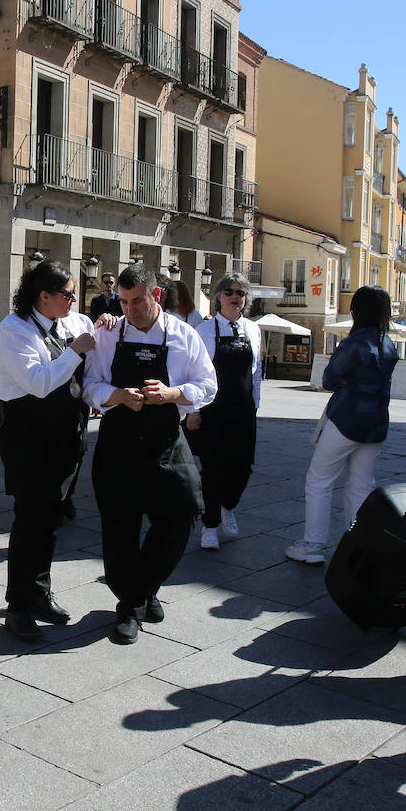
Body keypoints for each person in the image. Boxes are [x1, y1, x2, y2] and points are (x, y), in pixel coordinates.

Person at [83, 265, 216, 644]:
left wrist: (173, 394)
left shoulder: (183, 335)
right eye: (123, 302)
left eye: (137, 301)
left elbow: (208, 384)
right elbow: (90, 384)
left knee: (183, 512)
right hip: (119, 440)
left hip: (164, 440)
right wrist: (118, 396)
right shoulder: (108, 333)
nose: (130, 309)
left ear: (155, 296)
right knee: (119, 525)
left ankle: (145, 587)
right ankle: (130, 605)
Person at [0, 260, 97, 640]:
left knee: (51, 516)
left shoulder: (69, 323)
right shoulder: (13, 330)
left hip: (65, 430)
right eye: (69, 294)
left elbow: (91, 349)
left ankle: (38, 592)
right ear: (44, 297)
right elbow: (38, 383)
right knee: (30, 517)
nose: (74, 300)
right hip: (27, 431)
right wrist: (75, 353)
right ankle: (18, 606)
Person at [286, 285, 398, 565]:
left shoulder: (355, 341)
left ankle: (312, 544)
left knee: (319, 480)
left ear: (356, 311)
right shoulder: (388, 343)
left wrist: (346, 380)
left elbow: (329, 379)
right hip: (376, 422)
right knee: (362, 484)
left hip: (347, 418)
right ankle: (359, 544)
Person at [188, 273, 262, 550]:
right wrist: (194, 410)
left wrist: (256, 405)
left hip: (243, 411)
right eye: (229, 292)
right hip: (214, 411)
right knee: (213, 470)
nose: (235, 297)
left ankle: (228, 506)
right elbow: (194, 372)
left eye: (240, 292)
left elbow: (256, 372)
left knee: (243, 468)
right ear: (219, 297)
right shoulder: (205, 332)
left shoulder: (253, 331)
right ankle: (209, 526)